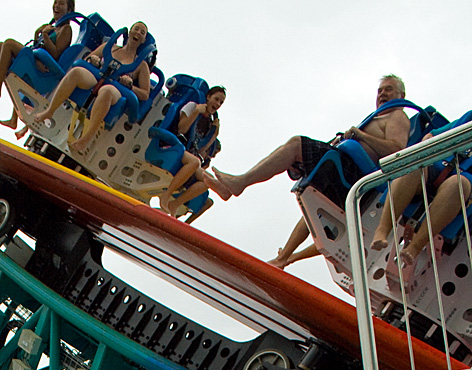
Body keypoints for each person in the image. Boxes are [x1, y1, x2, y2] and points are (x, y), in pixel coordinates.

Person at [217, 76, 411, 268]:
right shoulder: (376, 118)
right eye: (380, 90)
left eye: (389, 89)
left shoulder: (397, 116)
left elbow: (396, 149)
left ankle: (240, 183)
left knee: (296, 145)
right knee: (314, 203)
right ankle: (282, 258)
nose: (382, 93)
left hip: (357, 174)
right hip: (346, 168)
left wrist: (360, 135)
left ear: (401, 95)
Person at [370, 109, 472, 285]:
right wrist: (427, 144)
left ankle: (415, 246)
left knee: (458, 184)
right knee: (414, 166)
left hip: (461, 185)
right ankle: (383, 229)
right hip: (437, 167)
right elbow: (433, 134)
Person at [32, 21, 152, 155]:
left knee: (106, 91)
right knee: (76, 72)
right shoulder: (110, 47)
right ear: (129, 32)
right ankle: (49, 111)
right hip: (96, 78)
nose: (138, 33)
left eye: (142, 32)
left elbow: (145, 94)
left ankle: (87, 137)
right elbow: (88, 58)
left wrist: (130, 85)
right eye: (136, 29)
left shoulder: (141, 65)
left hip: (116, 90)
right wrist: (93, 60)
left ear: (144, 40)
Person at [0, 0, 75, 131]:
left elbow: (55, 54)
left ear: (69, 10)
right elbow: (38, 44)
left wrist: (46, 35)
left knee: (9, 44)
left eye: (61, 4)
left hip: (45, 70)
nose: (56, 6)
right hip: (37, 61)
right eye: (55, 2)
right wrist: (39, 33)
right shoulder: (52, 26)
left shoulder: (66, 29)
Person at [158, 85, 226, 219]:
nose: (218, 104)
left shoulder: (208, 122)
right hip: (173, 146)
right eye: (216, 99)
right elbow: (181, 129)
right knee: (194, 162)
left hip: (189, 155)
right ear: (208, 97)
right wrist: (195, 112)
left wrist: (214, 134)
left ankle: (175, 204)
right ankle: (166, 195)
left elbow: (200, 150)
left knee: (209, 181)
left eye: (221, 102)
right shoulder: (192, 106)